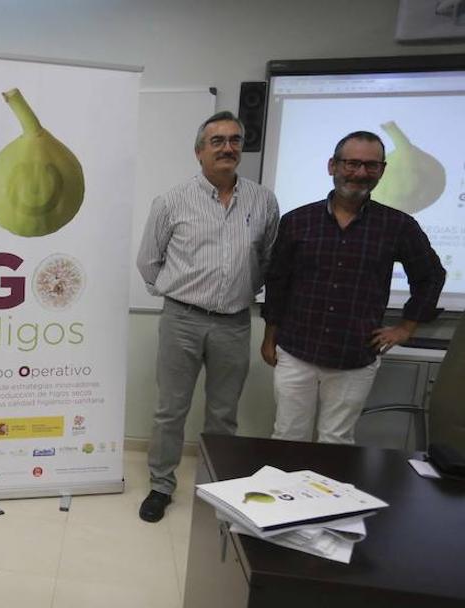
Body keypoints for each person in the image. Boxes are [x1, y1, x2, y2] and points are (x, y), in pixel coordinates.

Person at [135, 111, 279, 523]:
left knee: (223, 413)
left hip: (234, 322)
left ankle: (215, 485)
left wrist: (242, 290)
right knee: (171, 410)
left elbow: (268, 259)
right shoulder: (172, 200)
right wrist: (176, 293)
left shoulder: (263, 201)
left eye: (235, 140)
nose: (227, 148)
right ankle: (161, 485)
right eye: (217, 141)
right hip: (182, 320)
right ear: (199, 151)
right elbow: (148, 261)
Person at [261, 131, 445, 444]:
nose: (360, 173)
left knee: (336, 441)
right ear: (332, 166)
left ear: (382, 171)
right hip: (296, 350)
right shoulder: (298, 221)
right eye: (352, 163)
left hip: (355, 355)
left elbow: (431, 275)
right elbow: (278, 282)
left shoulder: (398, 226)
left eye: (371, 165)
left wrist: (406, 328)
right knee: (288, 436)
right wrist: (269, 337)